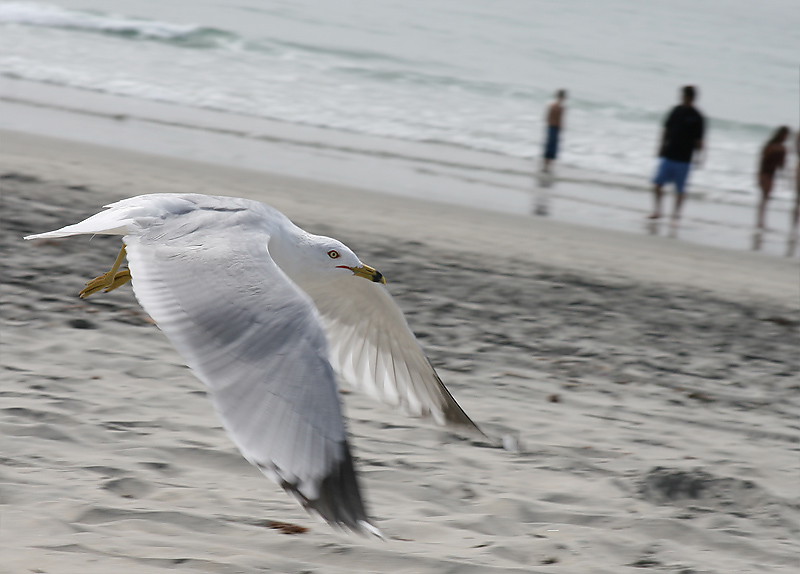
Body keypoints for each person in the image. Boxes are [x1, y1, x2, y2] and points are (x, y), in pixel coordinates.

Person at [649, 85, 705, 221]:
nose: (682, 98)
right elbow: (666, 130)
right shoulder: (676, 110)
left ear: (690, 97)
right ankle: (658, 211)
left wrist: (699, 157)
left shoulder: (697, 117)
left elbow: (699, 140)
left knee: (680, 190)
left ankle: (675, 215)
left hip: (684, 159)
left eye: (685, 96)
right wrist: (660, 147)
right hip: (669, 154)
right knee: (657, 184)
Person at [755, 126, 789, 229]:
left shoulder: (777, 147)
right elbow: (764, 161)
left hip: (770, 175)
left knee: (765, 198)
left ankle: (761, 221)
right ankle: (760, 222)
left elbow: (781, 166)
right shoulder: (775, 147)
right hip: (765, 173)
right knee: (765, 198)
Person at [541, 89, 567, 173]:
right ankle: (545, 166)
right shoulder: (555, 107)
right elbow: (548, 118)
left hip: (555, 129)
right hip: (552, 128)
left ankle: (548, 167)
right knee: (549, 148)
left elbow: (560, 120)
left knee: (553, 149)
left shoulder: (560, 108)